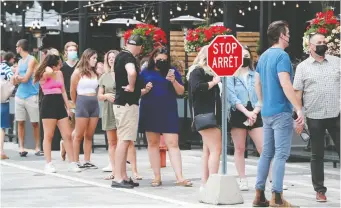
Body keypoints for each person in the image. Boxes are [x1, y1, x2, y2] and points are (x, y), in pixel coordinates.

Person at [252, 21, 304, 207]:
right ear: (281, 35)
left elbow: (257, 83)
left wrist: (262, 101)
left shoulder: (264, 56)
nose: (289, 36)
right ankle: (278, 197)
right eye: (288, 33)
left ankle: (259, 195)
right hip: (281, 111)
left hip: (267, 112)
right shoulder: (282, 56)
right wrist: (298, 108)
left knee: (266, 153)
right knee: (281, 155)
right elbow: (285, 83)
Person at [294, 33, 340, 203]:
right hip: (314, 116)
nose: (322, 44)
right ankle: (319, 190)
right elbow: (297, 92)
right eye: (319, 42)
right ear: (311, 46)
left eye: (324, 42)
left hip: (337, 114)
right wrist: (299, 113)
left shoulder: (337, 62)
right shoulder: (303, 67)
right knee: (317, 155)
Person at [139, 46, 192, 187]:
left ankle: (180, 177)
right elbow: (137, 91)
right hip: (150, 109)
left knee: (173, 143)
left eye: (164, 60)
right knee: (153, 143)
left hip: (168, 110)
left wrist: (173, 81)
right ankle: (156, 176)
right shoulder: (145, 72)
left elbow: (181, 92)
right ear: (153, 58)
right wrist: (145, 89)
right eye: (159, 59)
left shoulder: (172, 71)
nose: (161, 61)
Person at [33, 54, 81, 173]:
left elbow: (63, 90)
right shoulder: (44, 72)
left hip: (59, 103)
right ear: (53, 64)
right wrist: (49, 67)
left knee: (67, 135)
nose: (61, 64)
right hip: (48, 103)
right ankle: (48, 163)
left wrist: (68, 107)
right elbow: (48, 72)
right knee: (48, 135)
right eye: (59, 63)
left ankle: (72, 162)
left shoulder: (59, 73)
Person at [227, 46, 264, 191]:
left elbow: (262, 95)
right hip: (238, 112)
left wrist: (254, 112)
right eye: (242, 55)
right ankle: (242, 179)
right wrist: (246, 113)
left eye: (247, 55)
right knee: (240, 148)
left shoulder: (255, 75)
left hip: (255, 111)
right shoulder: (231, 75)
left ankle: (273, 179)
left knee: (263, 148)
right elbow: (231, 96)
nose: (244, 58)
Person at [111, 34, 144, 189]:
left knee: (124, 140)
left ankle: (123, 175)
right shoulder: (129, 58)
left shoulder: (120, 56)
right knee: (124, 141)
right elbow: (131, 72)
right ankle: (118, 177)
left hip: (121, 103)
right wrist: (131, 86)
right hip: (127, 104)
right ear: (139, 47)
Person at [187, 45, 222, 193]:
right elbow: (196, 88)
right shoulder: (198, 70)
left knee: (208, 150)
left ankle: (205, 183)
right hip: (205, 114)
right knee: (216, 149)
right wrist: (214, 82)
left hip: (207, 114)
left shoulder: (209, 72)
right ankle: (212, 183)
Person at [13, 39, 43, 157]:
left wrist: (17, 77)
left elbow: (25, 78)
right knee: (20, 122)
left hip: (31, 95)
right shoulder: (20, 62)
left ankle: (37, 147)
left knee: (35, 122)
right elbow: (17, 80)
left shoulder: (32, 60)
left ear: (20, 47)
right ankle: (21, 147)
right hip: (20, 95)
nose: (16, 48)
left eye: (17, 46)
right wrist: (17, 77)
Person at [70, 48, 99, 169]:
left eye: (96, 58)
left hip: (94, 102)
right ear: (87, 58)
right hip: (82, 101)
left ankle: (87, 160)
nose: (95, 61)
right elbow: (72, 90)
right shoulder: (77, 72)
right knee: (78, 134)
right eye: (94, 58)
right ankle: (75, 161)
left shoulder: (95, 73)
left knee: (89, 134)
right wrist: (76, 104)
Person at [98, 50, 119, 178]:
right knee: (112, 142)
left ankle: (130, 169)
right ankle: (113, 169)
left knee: (124, 140)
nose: (111, 59)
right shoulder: (104, 76)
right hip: (109, 110)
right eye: (109, 58)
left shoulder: (123, 73)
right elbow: (99, 95)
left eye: (113, 57)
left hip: (121, 108)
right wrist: (105, 95)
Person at [60, 41, 79, 160]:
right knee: (71, 125)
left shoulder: (80, 65)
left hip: (81, 97)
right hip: (68, 98)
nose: (72, 52)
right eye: (70, 50)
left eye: (74, 50)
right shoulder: (63, 67)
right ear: (66, 52)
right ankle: (69, 149)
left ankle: (66, 145)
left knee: (79, 127)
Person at [1, 51, 15, 159]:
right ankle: (1, 151)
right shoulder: (5, 68)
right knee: (1, 127)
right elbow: (12, 78)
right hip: (2, 100)